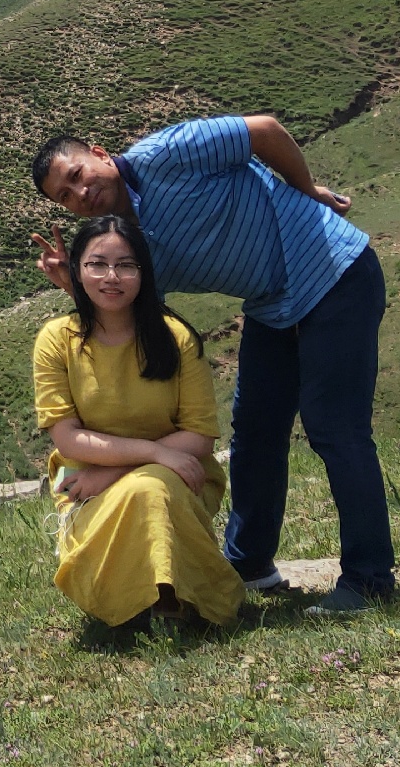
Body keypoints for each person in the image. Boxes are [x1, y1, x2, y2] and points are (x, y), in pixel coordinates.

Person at [29, 113, 395, 615]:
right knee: (256, 429)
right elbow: (132, 312)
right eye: (65, 198)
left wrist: (306, 189)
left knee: (335, 427)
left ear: (99, 153)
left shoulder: (166, 153)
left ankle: (368, 580)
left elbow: (263, 130)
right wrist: (75, 287)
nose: (80, 195)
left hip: (331, 271)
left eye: (76, 176)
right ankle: (249, 565)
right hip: (272, 303)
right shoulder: (132, 248)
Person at [33, 216, 245, 630]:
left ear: (143, 273)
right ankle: (151, 601)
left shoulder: (175, 337)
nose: (112, 277)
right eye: (97, 264)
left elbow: (199, 438)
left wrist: (114, 470)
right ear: (77, 270)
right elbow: (68, 439)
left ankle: (168, 603)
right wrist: (151, 453)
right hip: (86, 487)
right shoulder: (57, 339)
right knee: (148, 486)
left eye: (126, 266)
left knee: (150, 488)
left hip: (178, 477)